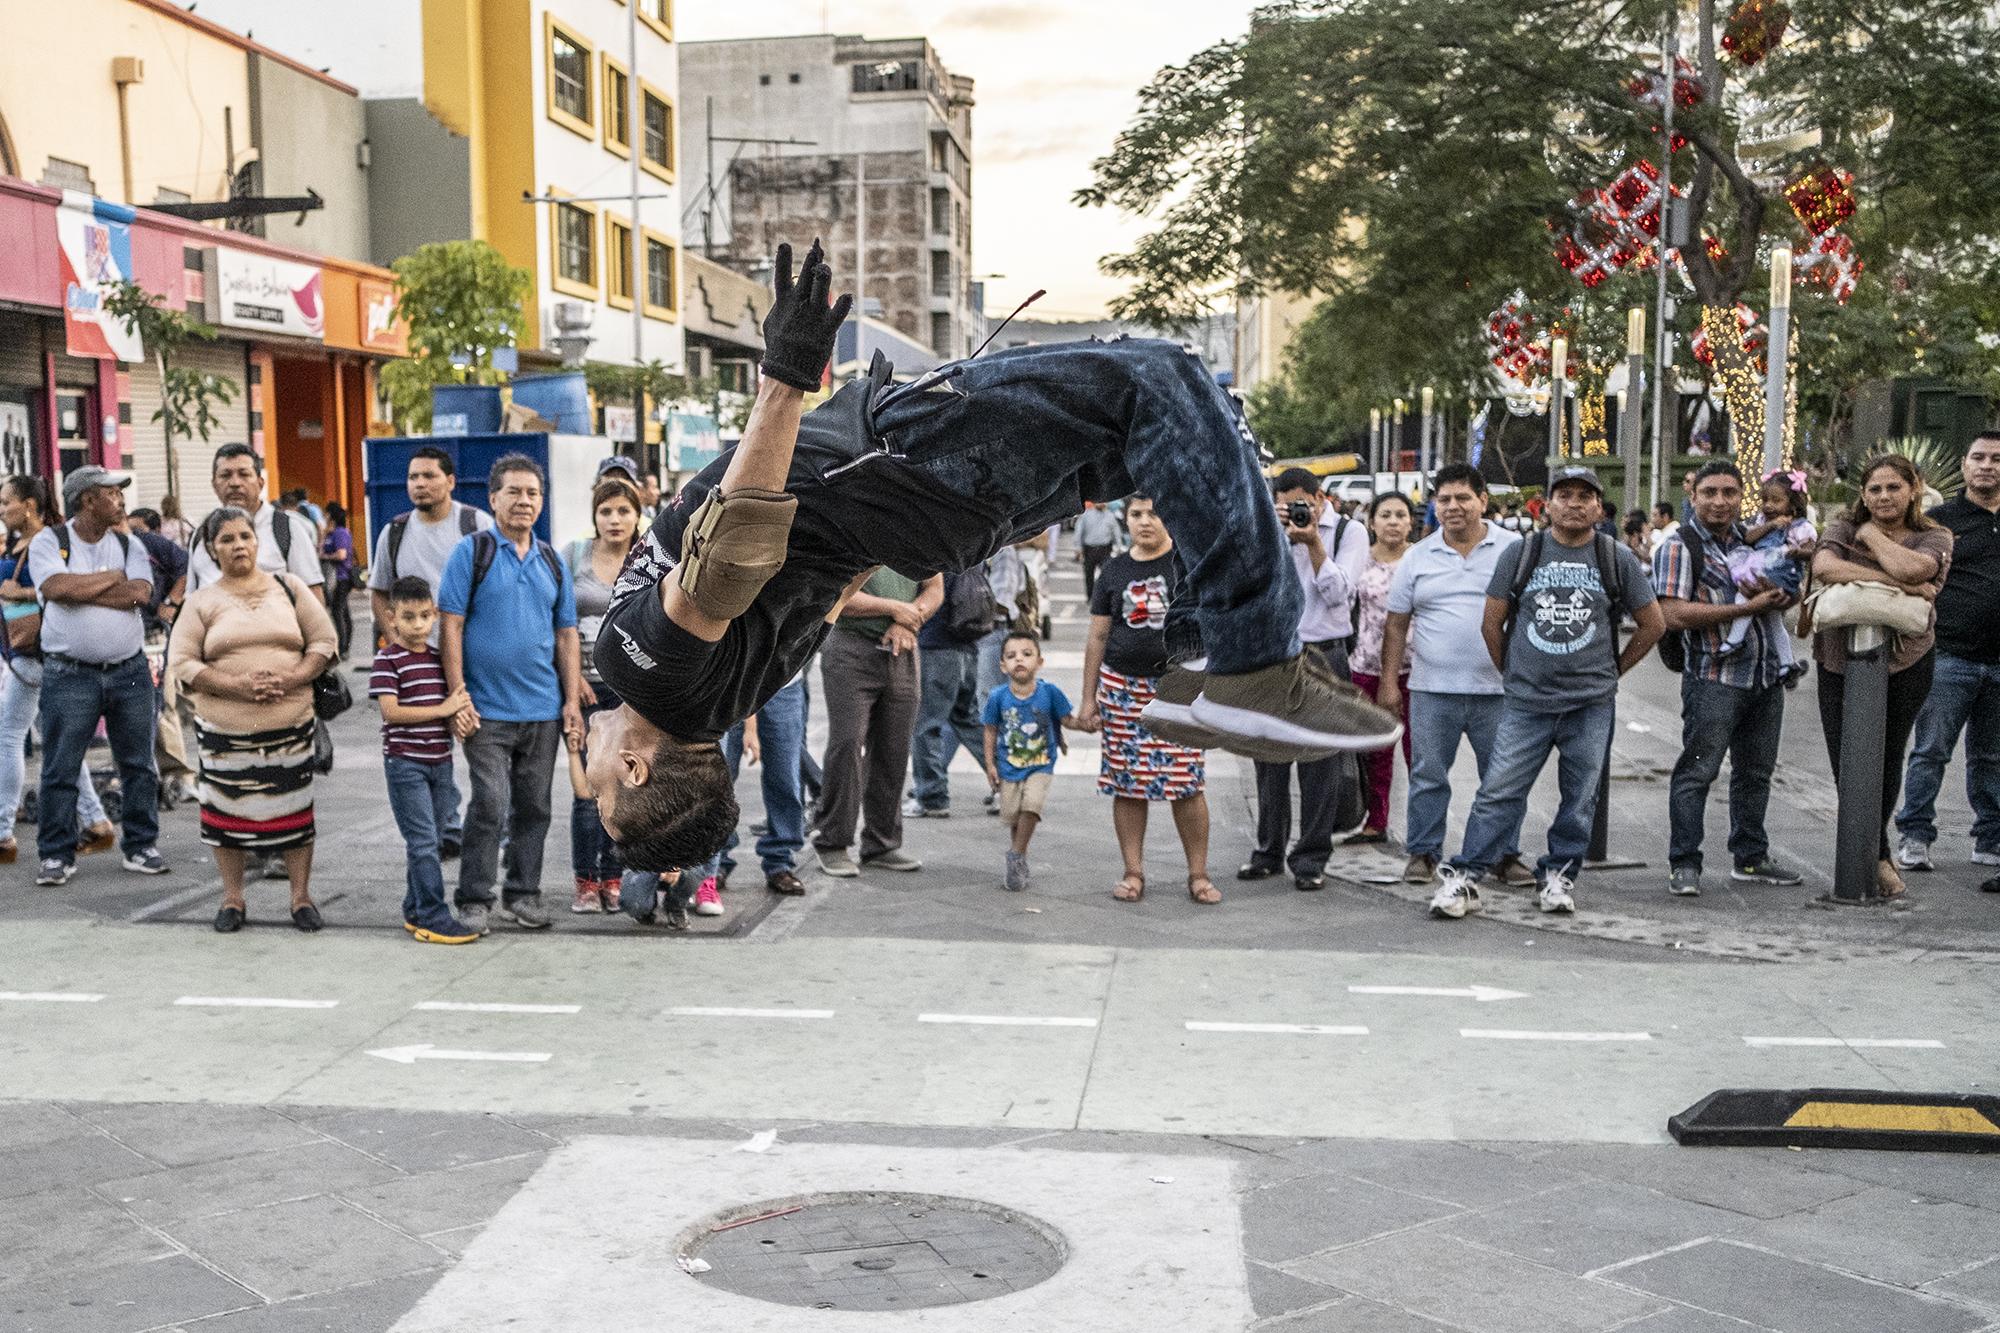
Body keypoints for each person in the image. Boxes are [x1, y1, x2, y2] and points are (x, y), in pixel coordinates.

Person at [582, 241, 1400, 875]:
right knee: (1161, 379)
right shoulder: (650, 669)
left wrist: (945, 521)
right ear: (637, 767)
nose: (584, 772)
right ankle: (1250, 657)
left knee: (1174, 421)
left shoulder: (728, 693)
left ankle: (1192, 643)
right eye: (600, 789)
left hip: (935, 507)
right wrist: (784, 382)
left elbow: (829, 582)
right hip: (906, 462)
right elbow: (731, 555)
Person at [1427, 466, 1664, 919]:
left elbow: (1654, 624)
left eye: (1584, 496)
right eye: (1565, 495)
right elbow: (1491, 622)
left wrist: (1613, 672)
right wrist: (1513, 673)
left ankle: (1559, 874)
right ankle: (1465, 877)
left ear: (1598, 506)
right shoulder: (1523, 553)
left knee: (1579, 798)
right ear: (1547, 505)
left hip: (1589, 703)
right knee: (1499, 792)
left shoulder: (1615, 557)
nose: (1574, 503)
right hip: (1526, 703)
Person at [169, 507, 337, 930]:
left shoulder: (289, 586)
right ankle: (232, 900)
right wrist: (236, 685)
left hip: (290, 724)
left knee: (295, 815)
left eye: (245, 536)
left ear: (256, 541)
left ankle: (301, 898)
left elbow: (324, 640)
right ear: (211, 549)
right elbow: (183, 662)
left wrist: (296, 675)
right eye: (227, 540)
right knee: (227, 818)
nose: (238, 545)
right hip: (226, 732)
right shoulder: (201, 602)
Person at [440, 454, 581, 933]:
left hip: (542, 710)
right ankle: (474, 897)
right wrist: (459, 696)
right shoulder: (471, 553)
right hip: (485, 711)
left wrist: (570, 702)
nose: (524, 501)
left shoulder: (551, 560)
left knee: (535, 807)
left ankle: (522, 893)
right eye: (514, 492)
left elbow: (566, 635)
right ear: (493, 498)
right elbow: (451, 627)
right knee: (490, 804)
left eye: (532, 493)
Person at [1377, 464, 1533, 887]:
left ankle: (1504, 855)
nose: (1453, 507)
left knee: (1502, 778)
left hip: (1498, 689)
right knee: (1428, 775)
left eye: (1463, 498)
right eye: (1443, 499)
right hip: (1432, 688)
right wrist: (1389, 682)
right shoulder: (1419, 556)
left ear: (1483, 501)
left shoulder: (1513, 549)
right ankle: (1423, 853)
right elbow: (1396, 623)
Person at [1653, 459, 1803, 898]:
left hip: (1763, 677)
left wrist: (1780, 596)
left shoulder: (1753, 540)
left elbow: (1785, 590)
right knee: (1698, 772)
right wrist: (1744, 609)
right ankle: (1684, 862)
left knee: (1756, 772)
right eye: (1710, 493)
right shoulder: (1679, 546)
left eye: (1729, 493)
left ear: (1742, 498)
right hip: (1714, 678)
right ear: (1693, 496)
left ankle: (1751, 858)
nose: (1720, 501)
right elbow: (1671, 614)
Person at [1810, 453, 1952, 900]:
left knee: (1887, 755)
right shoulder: (1841, 528)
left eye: (1894, 487)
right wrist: (1903, 586)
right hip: (1838, 659)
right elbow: (1824, 568)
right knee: (1846, 757)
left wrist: (1874, 538)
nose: (1884, 496)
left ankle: (1875, 853)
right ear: (1863, 494)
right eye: (1874, 489)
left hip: (1909, 659)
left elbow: (1917, 567)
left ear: (1914, 489)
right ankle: (1876, 855)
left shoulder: (1935, 534)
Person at [1077, 495, 1222, 904]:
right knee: (1128, 785)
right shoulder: (1114, 570)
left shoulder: (1189, 564)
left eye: (1154, 513)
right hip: (1123, 690)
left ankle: (1198, 874)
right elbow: (1098, 636)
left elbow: (1212, 626)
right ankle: (1133, 872)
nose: (1145, 521)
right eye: (1137, 514)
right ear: (1127, 518)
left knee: (1187, 784)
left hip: (1180, 689)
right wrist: (1088, 699)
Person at [28, 467, 166, 885]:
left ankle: (141, 845)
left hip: (129, 671)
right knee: (60, 766)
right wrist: (111, 579)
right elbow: (55, 588)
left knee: (139, 763)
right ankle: (56, 854)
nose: (121, 500)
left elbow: (141, 594)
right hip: (69, 674)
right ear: (88, 500)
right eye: (112, 493)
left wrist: (82, 588)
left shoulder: (129, 543)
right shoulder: (50, 542)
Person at [1240, 467, 1372, 891]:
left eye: (1302, 504)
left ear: (1319, 498)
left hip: (1324, 653)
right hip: (1272, 653)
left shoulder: (1349, 532)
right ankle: (1268, 851)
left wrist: (1313, 542)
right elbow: (1249, 586)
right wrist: (1274, 536)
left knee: (1321, 762)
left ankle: (1312, 858)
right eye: (1286, 505)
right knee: (1269, 757)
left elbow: (1339, 594)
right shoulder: (1266, 526)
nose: (1296, 511)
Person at [366, 446, 492, 857]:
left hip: (472, 657)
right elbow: (379, 591)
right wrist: (398, 643)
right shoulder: (395, 531)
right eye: (413, 477)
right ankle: (446, 824)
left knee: (481, 742)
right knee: (428, 741)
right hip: (420, 662)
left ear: (450, 482)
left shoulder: (476, 525)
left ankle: (482, 822)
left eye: (428, 476)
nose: (419, 484)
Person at [1896, 432, 2000, 876]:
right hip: (1950, 657)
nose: (1987, 466)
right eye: (1978, 457)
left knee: (1992, 757)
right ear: (1964, 465)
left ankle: (1991, 839)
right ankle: (1915, 836)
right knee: (1931, 750)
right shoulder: (1939, 523)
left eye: (1997, 459)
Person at [0, 476, 116, 866]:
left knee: (9, 736)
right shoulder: (18, 544)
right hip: (25, 655)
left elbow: (67, 587)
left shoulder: (48, 542)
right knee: (57, 743)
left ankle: (2, 832)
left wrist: (23, 593)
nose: (2, 511)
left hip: (41, 654)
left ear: (29, 505)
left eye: (6, 503)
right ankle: (96, 821)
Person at [810, 567, 942, 876]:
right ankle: (832, 841)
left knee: (893, 749)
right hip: (849, 647)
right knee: (846, 744)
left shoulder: (921, 529)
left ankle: (882, 843)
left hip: (903, 648)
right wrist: (895, 609)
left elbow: (935, 588)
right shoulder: (857, 524)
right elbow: (837, 596)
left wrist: (910, 621)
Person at [370, 577, 478, 944]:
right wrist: (444, 709)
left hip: (440, 761)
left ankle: (415, 908)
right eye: (408, 617)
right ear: (391, 617)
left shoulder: (436, 659)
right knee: (422, 842)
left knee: (430, 839)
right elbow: (391, 712)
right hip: (406, 764)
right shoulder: (387, 660)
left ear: (434, 615)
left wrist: (456, 716)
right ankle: (433, 915)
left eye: (425, 616)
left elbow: (454, 705)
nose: (418, 625)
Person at [565, 477, 642, 912]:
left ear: (636, 517)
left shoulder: (648, 559)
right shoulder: (574, 556)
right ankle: (584, 882)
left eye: (623, 511)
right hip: (585, 688)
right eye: (606, 511)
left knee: (619, 788)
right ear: (595, 517)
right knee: (584, 789)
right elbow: (562, 624)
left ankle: (613, 877)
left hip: (628, 691)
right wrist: (572, 682)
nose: (614, 520)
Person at [982, 629, 1084, 891]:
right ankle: (1020, 856)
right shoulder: (997, 697)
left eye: (1027, 654)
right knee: (1014, 816)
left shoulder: (1050, 693)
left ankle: (1015, 855)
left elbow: (1066, 719)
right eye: (1011, 656)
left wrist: (1087, 725)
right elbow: (990, 730)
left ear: (1039, 662)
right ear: (1002, 665)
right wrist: (990, 765)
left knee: (1032, 806)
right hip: (1009, 765)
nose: (1019, 660)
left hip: (1041, 762)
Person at [1347, 491, 1416, 845]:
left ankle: (1421, 830)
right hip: (1365, 666)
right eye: (1385, 515)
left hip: (1417, 669)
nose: (1393, 522)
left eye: (1400, 515)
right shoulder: (1359, 561)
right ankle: (1375, 821)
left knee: (1417, 752)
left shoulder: (1420, 559)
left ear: (1411, 522)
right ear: (1371, 521)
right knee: (1375, 751)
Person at [906, 563, 995, 819]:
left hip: (936, 645)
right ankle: (1008, 782)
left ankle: (931, 796)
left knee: (925, 724)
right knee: (968, 719)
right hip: (967, 645)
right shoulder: (970, 550)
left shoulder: (935, 555)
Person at [1719, 470, 1814, 681]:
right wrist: (1770, 525)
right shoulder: (1762, 521)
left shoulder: (1801, 527)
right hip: (1764, 569)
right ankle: (1787, 663)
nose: (1768, 505)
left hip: (1782, 575)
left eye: (1776, 500)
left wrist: (1796, 551)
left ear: (1793, 504)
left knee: (1745, 595)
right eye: (1765, 500)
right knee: (1774, 623)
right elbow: (1748, 538)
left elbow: (1812, 551)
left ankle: (1735, 639)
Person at [319, 501, 357, 661]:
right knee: (342, 610)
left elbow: (341, 554)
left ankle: (343, 647)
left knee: (337, 611)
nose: (324, 516)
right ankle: (344, 646)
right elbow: (320, 548)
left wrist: (325, 557)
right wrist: (324, 534)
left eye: (326, 513)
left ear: (331, 515)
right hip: (335, 578)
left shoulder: (341, 533)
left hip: (342, 577)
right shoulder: (331, 533)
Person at [1076, 500, 1122, 599]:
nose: (1101, 503)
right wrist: (1078, 548)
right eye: (1098, 501)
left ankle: (1105, 597)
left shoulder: (1110, 516)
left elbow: (1116, 532)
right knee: (1089, 575)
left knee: (1107, 573)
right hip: (1089, 549)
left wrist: (1118, 547)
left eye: (1103, 501)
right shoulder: (1086, 515)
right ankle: (1090, 596)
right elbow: (1079, 531)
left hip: (1105, 549)